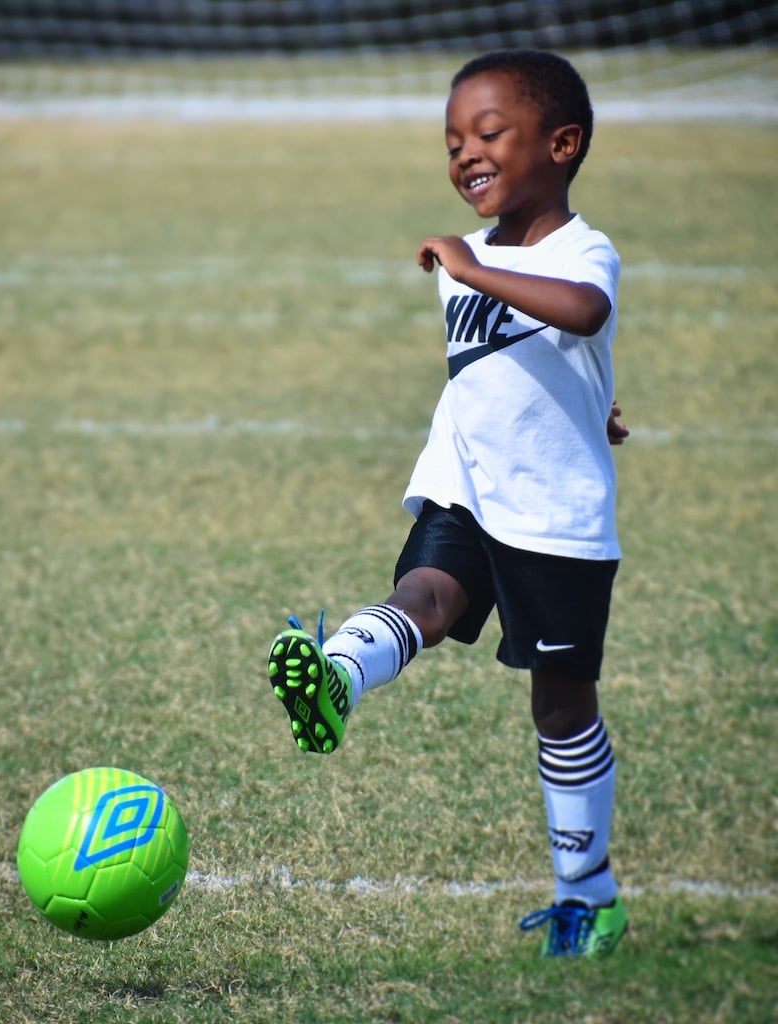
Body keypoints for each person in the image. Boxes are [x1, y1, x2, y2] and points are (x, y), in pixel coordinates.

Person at [267, 49, 630, 959]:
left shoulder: (579, 250)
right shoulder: (468, 263)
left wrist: (473, 271)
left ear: (562, 143)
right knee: (422, 596)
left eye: (488, 132)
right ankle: (335, 681)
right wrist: (473, 274)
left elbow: (582, 315)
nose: (464, 151)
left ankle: (588, 896)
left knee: (561, 706)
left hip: (554, 516)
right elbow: (509, 369)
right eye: (452, 139)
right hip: (465, 484)